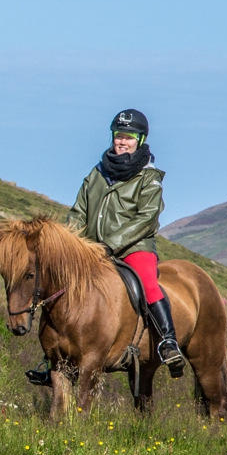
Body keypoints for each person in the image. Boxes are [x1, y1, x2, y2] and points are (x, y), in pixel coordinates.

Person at [64, 108, 184, 374]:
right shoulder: (97, 174)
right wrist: (68, 244)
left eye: (129, 137)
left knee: (147, 280)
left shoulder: (149, 177)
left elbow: (147, 219)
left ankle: (168, 340)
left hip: (134, 246)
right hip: (93, 249)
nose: (122, 141)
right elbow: (78, 212)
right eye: (119, 135)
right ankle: (57, 355)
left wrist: (111, 244)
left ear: (139, 140)